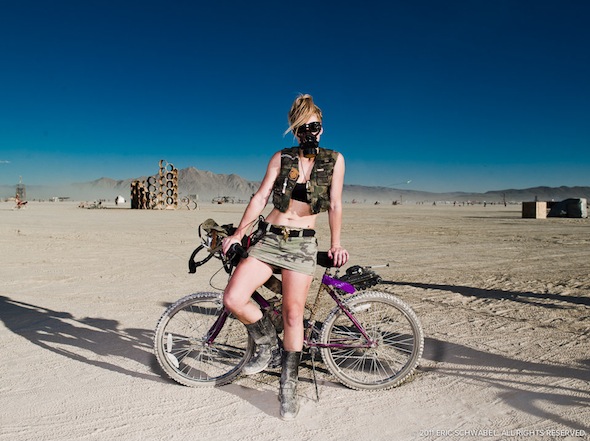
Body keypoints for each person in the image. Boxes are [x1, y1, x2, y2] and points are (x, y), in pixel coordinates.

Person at [222, 94, 348, 420]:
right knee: (234, 297)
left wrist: (336, 244)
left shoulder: (334, 160)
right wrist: (238, 233)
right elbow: (261, 197)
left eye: (314, 126)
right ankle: (266, 344)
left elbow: (335, 204)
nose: (310, 133)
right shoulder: (281, 158)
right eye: (303, 128)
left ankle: (287, 386)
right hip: (270, 238)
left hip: (302, 245)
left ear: (321, 128)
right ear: (295, 131)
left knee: (293, 316)